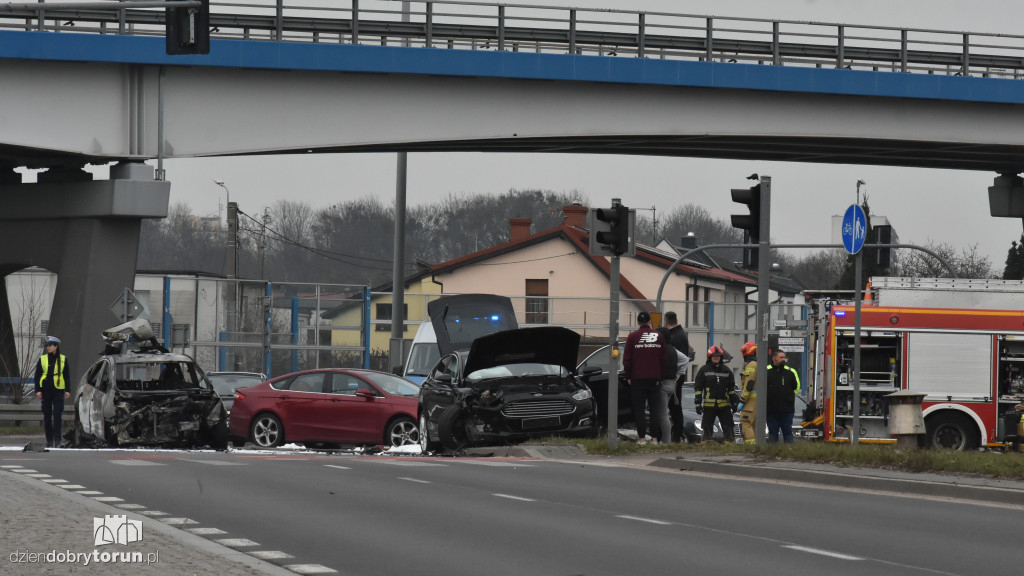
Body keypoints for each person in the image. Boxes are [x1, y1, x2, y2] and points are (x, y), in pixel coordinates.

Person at [623, 311, 668, 445]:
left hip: (637, 378)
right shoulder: (658, 336)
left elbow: (627, 359)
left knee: (639, 409)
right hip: (654, 378)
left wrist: (629, 375)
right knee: (654, 409)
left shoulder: (632, 337)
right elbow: (664, 359)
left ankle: (642, 438)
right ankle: (654, 439)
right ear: (649, 321)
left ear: (638, 322)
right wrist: (661, 375)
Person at [694, 345, 739, 443]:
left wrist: (734, 403)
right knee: (707, 428)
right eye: (714, 356)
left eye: (718, 356)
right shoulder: (704, 370)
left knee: (728, 427)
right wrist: (697, 404)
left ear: (721, 357)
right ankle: (707, 445)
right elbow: (698, 388)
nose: (716, 357)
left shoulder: (726, 370)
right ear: (710, 357)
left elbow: (731, 389)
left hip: (724, 406)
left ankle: (729, 446)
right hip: (708, 406)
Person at [35, 336, 70, 448]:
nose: (48, 348)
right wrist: (38, 390)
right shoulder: (43, 359)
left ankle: (58, 440)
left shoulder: (63, 359)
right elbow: (37, 375)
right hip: (46, 389)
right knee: (47, 416)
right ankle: (49, 440)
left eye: (50, 345)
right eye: (47, 346)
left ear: (56, 347)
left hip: (58, 390)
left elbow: (67, 375)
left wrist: (68, 390)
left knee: (57, 415)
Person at [656, 326, 689, 443]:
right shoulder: (673, 349)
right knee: (669, 412)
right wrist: (678, 374)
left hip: (663, 384)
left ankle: (665, 441)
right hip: (671, 384)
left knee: (662, 414)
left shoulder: (660, 349)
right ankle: (672, 438)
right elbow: (685, 359)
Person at [766, 349, 802, 443]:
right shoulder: (766, 371)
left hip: (787, 410)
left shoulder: (790, 372)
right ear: (774, 358)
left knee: (788, 433)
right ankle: (771, 454)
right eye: (781, 357)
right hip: (771, 410)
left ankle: (789, 452)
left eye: (784, 357)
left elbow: (796, 387)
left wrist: (787, 397)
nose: (783, 359)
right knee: (773, 434)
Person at [737, 341, 758, 445]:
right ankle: (757, 446)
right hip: (758, 401)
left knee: (746, 422)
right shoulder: (759, 364)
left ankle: (750, 446)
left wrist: (742, 400)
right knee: (755, 425)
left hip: (750, 401)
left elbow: (749, 384)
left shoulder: (751, 365)